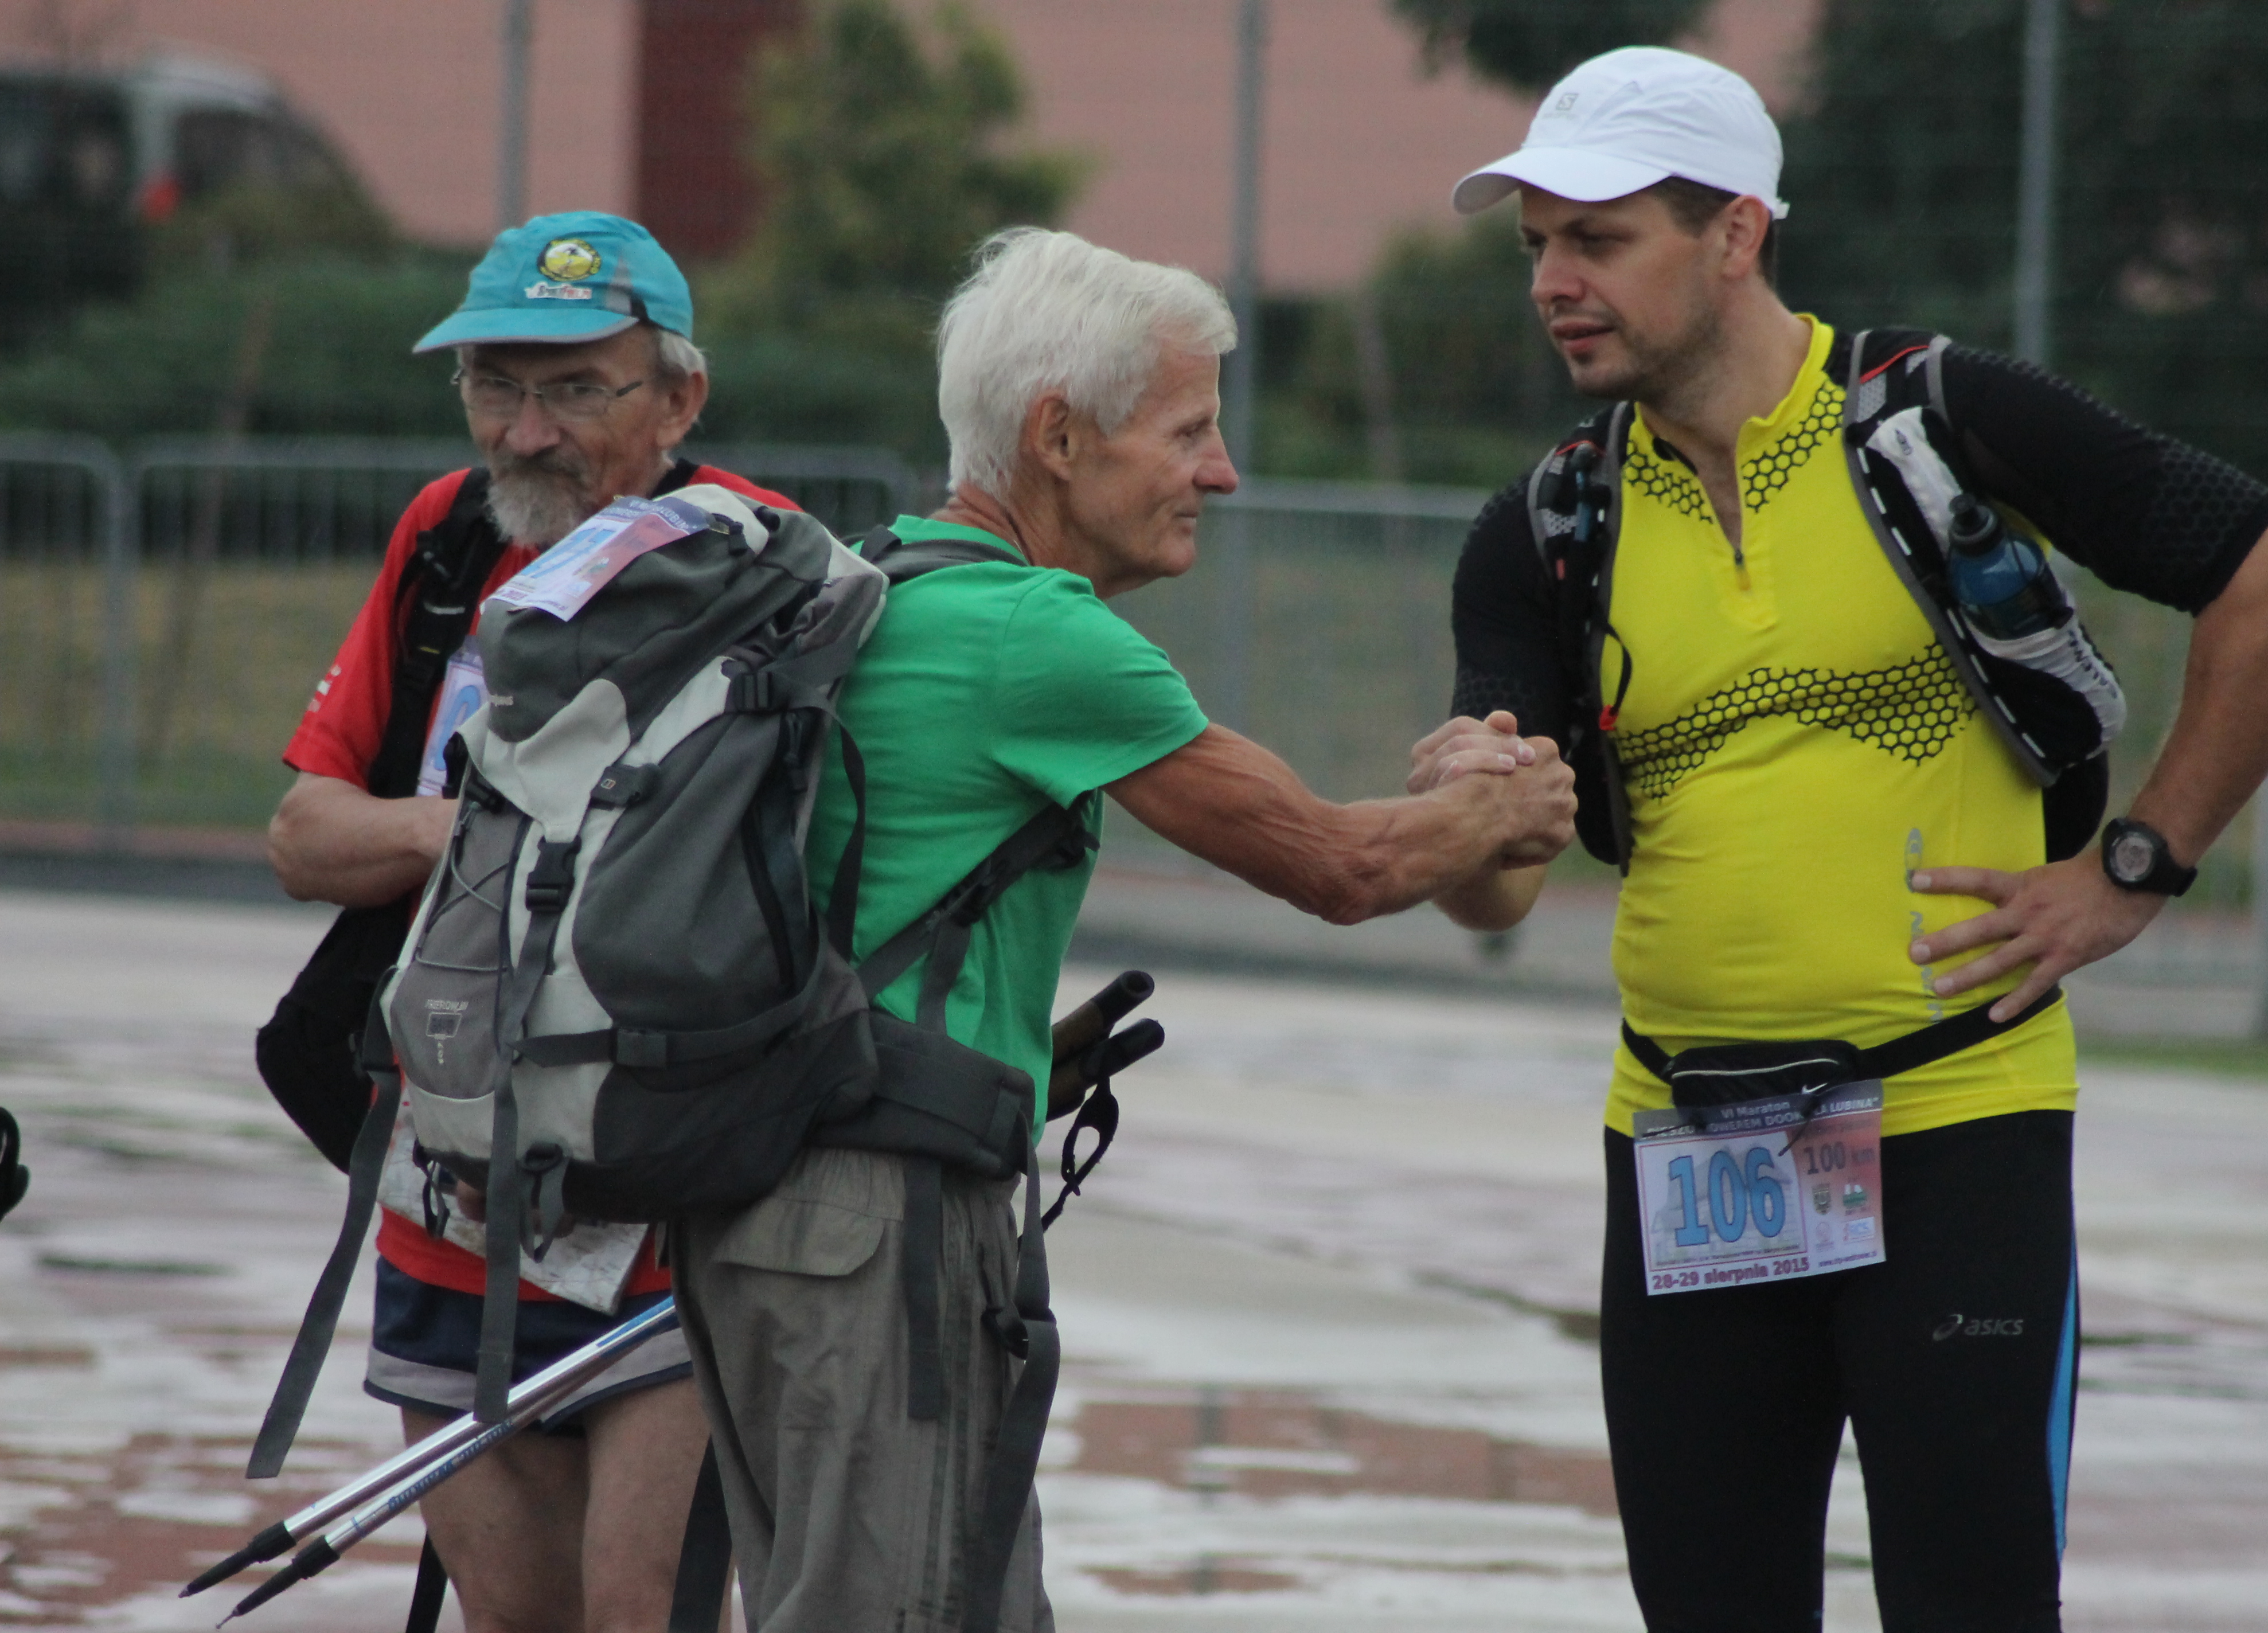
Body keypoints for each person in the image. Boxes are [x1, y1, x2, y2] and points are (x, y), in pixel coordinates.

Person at [1416, 46, 2268, 1633]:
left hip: (1951, 1132)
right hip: (1691, 1142)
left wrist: (2136, 866)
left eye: (1600, 239)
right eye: (1537, 249)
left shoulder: (1938, 422)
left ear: (1736, 235)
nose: (1556, 284)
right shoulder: (1543, 530)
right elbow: (1501, 892)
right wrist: (1473, 817)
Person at [669, 226, 1578, 1633]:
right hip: (885, 1221)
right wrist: (1502, 800)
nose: (1222, 471)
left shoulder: (877, 578)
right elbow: (1338, 866)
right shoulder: (1036, 633)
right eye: (1190, 431)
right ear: (1058, 435)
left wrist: (1016, 1050)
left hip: (770, 1212)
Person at [270, 210, 798, 1633]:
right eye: (497, 386)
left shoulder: (762, 569)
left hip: (662, 1209)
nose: (528, 431)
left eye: (577, 389)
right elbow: (306, 833)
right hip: (442, 1201)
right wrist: (473, 833)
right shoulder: (445, 541)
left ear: (680, 395)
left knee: (643, 1618)